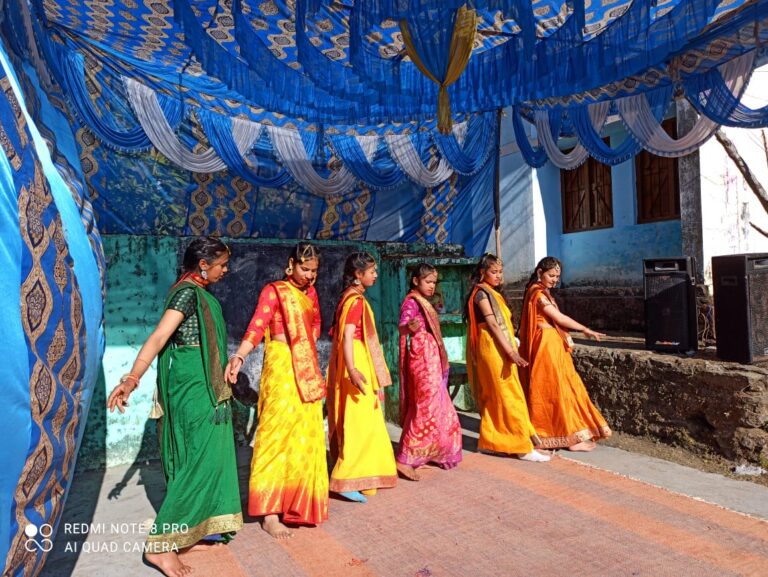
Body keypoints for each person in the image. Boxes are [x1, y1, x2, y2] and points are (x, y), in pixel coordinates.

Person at [107, 236, 242, 577]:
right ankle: (160, 546)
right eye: (221, 264)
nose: (225, 270)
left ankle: (190, 528)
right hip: (193, 387)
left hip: (205, 382)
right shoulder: (186, 293)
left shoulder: (199, 293)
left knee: (208, 460)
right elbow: (158, 337)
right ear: (203, 265)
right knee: (198, 462)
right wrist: (131, 379)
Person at [225, 242, 328, 539]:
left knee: (305, 437)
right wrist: (240, 356)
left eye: (314, 271)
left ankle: (297, 502)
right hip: (281, 368)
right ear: (291, 264)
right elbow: (257, 326)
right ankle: (269, 513)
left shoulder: (310, 294)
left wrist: (305, 352)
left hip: (305, 369)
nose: (309, 276)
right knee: (275, 435)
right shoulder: (275, 291)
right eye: (304, 269)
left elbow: (317, 326)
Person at [519, 256, 612, 451]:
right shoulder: (537, 294)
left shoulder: (541, 292)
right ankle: (564, 437)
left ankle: (569, 435)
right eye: (551, 275)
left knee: (563, 387)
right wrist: (584, 329)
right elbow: (558, 318)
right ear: (539, 273)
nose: (555, 280)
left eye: (557, 276)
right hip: (546, 346)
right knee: (553, 390)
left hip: (552, 345)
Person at [464, 254, 550, 462]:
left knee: (498, 396)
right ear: (482, 273)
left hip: (498, 346)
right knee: (509, 396)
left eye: (500, 272)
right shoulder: (481, 295)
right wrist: (511, 352)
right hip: (493, 350)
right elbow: (493, 325)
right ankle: (521, 446)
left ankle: (492, 441)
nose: (498, 276)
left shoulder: (492, 293)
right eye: (493, 272)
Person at [327, 252, 397, 503]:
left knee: (363, 420)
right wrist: (353, 369)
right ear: (358, 275)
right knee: (359, 422)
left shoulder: (348, 298)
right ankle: (346, 477)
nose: (376, 275)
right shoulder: (355, 301)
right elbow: (346, 336)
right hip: (355, 361)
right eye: (371, 271)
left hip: (354, 359)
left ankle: (364, 475)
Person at [396, 263, 462, 480]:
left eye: (434, 282)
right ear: (416, 281)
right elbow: (402, 326)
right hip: (421, 358)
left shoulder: (425, 302)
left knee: (438, 406)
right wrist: (410, 327)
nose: (432, 286)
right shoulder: (412, 302)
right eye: (428, 281)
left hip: (431, 357)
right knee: (426, 406)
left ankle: (431, 451)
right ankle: (405, 459)